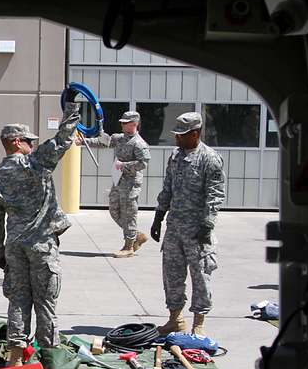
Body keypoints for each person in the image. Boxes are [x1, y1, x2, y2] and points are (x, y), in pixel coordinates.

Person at [0, 104, 82, 366]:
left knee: (18, 301)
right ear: (16, 142)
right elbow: (63, 140)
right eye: (27, 141)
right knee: (45, 303)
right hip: (41, 246)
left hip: (14, 248)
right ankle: (50, 360)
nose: (31, 145)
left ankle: (15, 359)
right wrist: (72, 110)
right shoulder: (34, 163)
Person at [150, 111, 226, 337]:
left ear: (195, 134)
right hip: (174, 228)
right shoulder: (175, 156)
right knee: (172, 275)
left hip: (197, 231)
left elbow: (215, 194)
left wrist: (208, 224)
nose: (177, 139)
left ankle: (199, 323)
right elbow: (168, 188)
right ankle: (175, 319)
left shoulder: (209, 159)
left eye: (182, 135)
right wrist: (158, 215)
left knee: (200, 276)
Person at [78, 110, 151, 257]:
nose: (122, 125)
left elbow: (144, 163)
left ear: (134, 124)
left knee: (129, 213)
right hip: (118, 180)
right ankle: (136, 235)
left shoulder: (139, 143)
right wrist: (84, 142)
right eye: (122, 123)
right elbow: (105, 142)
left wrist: (124, 165)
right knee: (114, 210)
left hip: (131, 183)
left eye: (126, 123)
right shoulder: (120, 138)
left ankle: (128, 246)